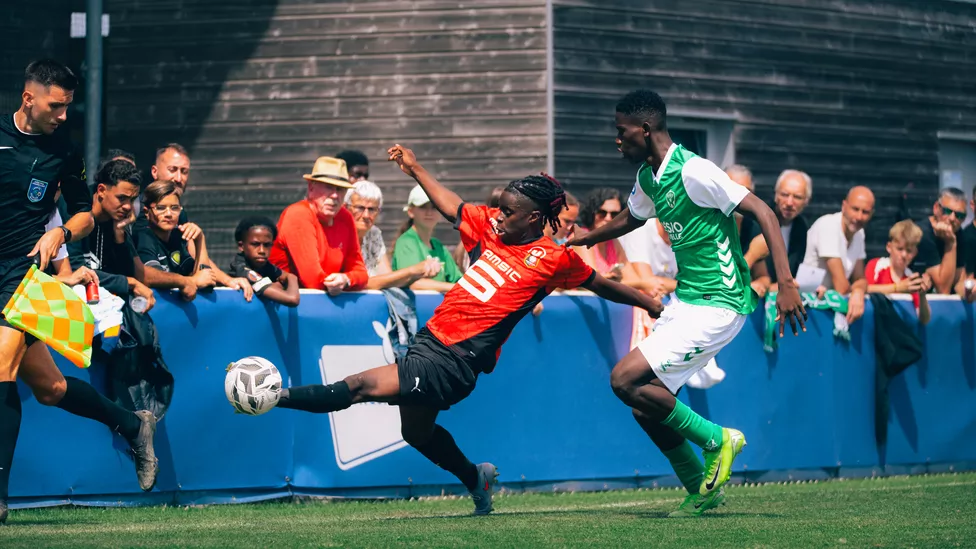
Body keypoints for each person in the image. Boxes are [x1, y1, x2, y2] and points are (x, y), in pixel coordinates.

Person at [265, 144, 662, 516]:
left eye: (508, 212)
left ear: (534, 219)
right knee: (416, 434)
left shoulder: (552, 258)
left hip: (455, 361)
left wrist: (647, 301)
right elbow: (452, 205)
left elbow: (598, 283)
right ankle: (476, 478)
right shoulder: (493, 226)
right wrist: (415, 168)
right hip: (430, 341)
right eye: (500, 210)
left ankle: (270, 395)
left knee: (357, 386)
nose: (498, 216)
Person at [567, 89, 806, 517]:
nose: (616, 140)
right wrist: (587, 236)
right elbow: (631, 217)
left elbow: (765, 213)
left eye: (621, 132)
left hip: (722, 301)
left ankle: (718, 439)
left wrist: (786, 282)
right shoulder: (647, 177)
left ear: (645, 128)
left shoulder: (694, 170)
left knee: (623, 380)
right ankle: (702, 489)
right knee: (645, 405)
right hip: (688, 301)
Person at [0, 60, 157, 523]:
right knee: (49, 388)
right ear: (29, 98)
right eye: (57, 105)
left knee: (2, 361)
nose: (64, 115)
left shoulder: (63, 153)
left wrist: (61, 235)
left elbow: (88, 215)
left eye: (68, 106)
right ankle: (132, 425)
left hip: (25, 274)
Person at [134, 181, 253, 302]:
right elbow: (151, 277)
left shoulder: (177, 239)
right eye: (161, 208)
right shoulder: (144, 237)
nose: (168, 214)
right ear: (146, 212)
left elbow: (205, 280)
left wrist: (199, 239)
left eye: (174, 208)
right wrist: (192, 281)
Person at [269, 156, 368, 295]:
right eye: (328, 187)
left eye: (340, 189)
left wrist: (346, 279)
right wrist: (344, 282)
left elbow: (362, 275)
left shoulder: (346, 217)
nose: (334, 195)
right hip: (284, 304)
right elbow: (313, 281)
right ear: (311, 187)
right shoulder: (299, 214)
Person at [344, 180, 441, 290]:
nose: (366, 215)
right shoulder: (339, 234)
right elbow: (357, 283)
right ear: (346, 207)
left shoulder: (373, 233)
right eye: (360, 208)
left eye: (372, 209)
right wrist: (413, 271)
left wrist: (417, 273)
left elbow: (387, 278)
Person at [801, 186, 875, 323]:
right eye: (855, 209)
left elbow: (860, 279)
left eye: (865, 212)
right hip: (809, 310)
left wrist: (858, 292)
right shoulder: (828, 225)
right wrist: (857, 289)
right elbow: (842, 287)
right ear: (844, 206)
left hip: (827, 309)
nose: (859, 217)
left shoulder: (860, 234)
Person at [393, 185, 464, 293]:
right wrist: (457, 289)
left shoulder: (438, 245)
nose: (429, 212)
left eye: (434, 207)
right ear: (410, 211)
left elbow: (458, 280)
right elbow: (414, 284)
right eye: (422, 207)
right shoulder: (406, 242)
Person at [865, 220, 931, 325]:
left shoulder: (911, 278)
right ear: (889, 247)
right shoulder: (876, 265)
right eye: (899, 249)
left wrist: (922, 295)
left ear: (915, 253)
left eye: (909, 251)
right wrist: (898, 288)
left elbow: (924, 319)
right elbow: (865, 289)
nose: (904, 255)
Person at [228, 217, 300, 306]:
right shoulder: (242, 269)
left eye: (267, 245)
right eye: (255, 244)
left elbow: (285, 277)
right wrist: (292, 278)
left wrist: (288, 278)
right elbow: (292, 299)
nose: (262, 250)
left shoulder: (265, 265)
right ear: (241, 246)